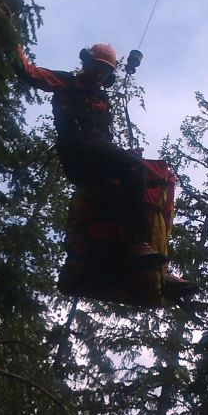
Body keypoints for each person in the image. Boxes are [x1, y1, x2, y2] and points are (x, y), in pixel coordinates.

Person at [15, 42, 161, 259]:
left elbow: (104, 139)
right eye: (97, 68)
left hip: (91, 154)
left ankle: (123, 252)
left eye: (105, 72)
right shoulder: (67, 82)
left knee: (128, 182)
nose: (100, 75)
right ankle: (136, 242)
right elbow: (30, 73)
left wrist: (124, 154)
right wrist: (13, 41)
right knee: (134, 167)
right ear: (87, 64)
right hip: (76, 150)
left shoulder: (102, 101)